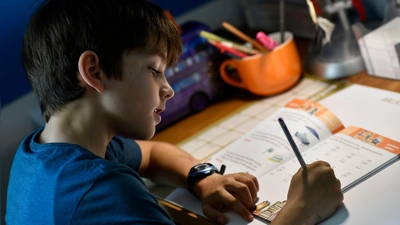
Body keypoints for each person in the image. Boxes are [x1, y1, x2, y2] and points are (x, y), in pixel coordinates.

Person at [6, 0, 343, 224]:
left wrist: (203, 178)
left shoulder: (42, 153)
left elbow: (151, 155)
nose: (169, 88)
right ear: (94, 71)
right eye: (154, 70)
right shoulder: (106, 193)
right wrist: (302, 209)